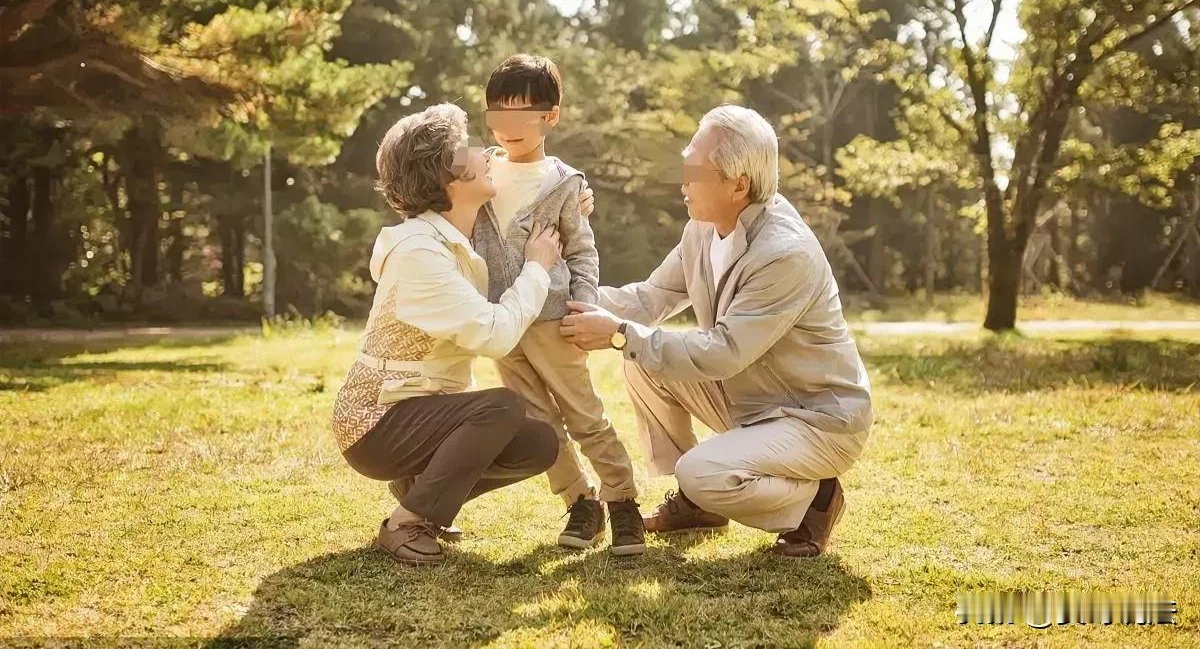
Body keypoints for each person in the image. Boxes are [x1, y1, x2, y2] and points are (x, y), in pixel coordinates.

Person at [561, 104, 874, 558]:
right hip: (752, 399)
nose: (683, 179)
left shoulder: (784, 253)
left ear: (738, 184)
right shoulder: (702, 228)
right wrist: (562, 296)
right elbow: (651, 299)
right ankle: (698, 505)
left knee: (699, 467)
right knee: (644, 367)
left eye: (695, 169)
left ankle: (816, 500)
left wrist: (619, 334)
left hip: (817, 418)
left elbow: (725, 351)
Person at [331, 102, 563, 566]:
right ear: (446, 175)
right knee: (503, 407)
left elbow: (531, 183)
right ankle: (406, 522)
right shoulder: (420, 252)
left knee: (538, 444)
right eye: (472, 148)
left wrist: (573, 195)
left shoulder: (455, 236)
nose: (488, 151)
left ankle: (421, 490)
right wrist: (538, 268)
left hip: (417, 413)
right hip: (375, 424)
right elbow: (495, 335)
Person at [471, 54, 644, 556]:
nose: (510, 125)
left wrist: (585, 308)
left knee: (584, 415)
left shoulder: (565, 183)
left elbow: (584, 251)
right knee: (537, 422)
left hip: (553, 320)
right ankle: (579, 503)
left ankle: (624, 504)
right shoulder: (478, 168)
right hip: (502, 321)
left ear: (551, 117)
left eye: (524, 112)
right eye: (499, 112)